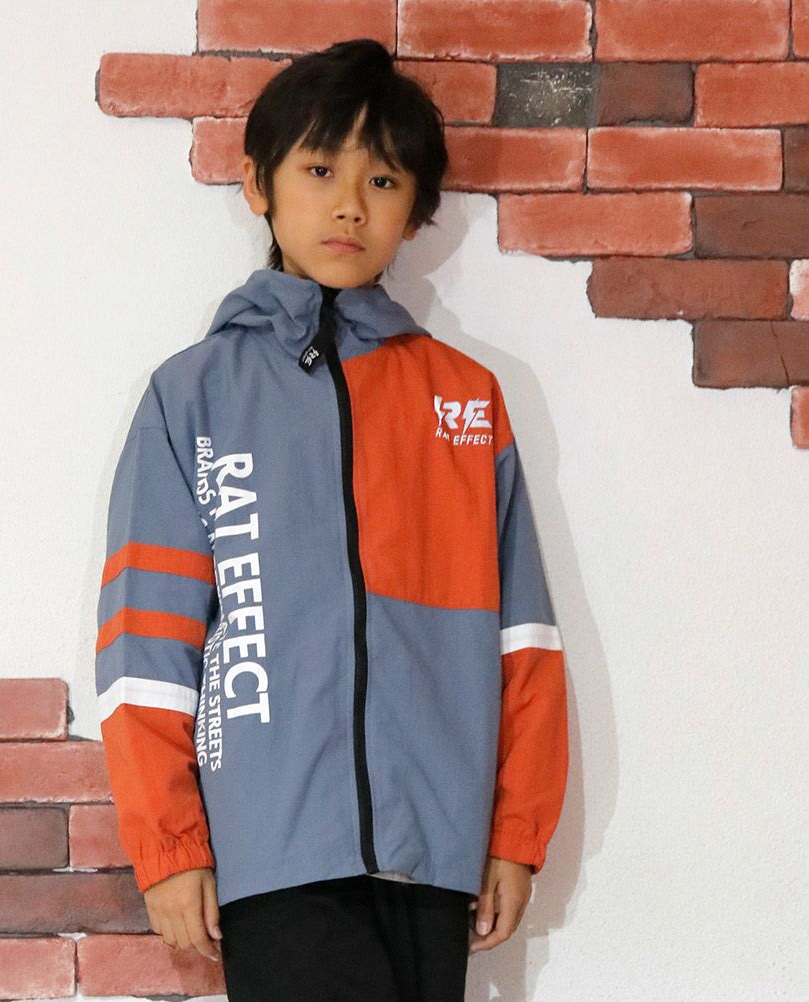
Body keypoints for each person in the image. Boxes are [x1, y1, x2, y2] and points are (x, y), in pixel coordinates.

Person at [94, 37, 569, 1002]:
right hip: (273, 851)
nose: (349, 205)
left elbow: (524, 636)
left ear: (416, 210)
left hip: (432, 848)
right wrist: (170, 845)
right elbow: (146, 646)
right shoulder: (194, 397)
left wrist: (515, 833)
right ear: (258, 184)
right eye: (319, 171)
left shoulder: (465, 400)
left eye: (382, 180)